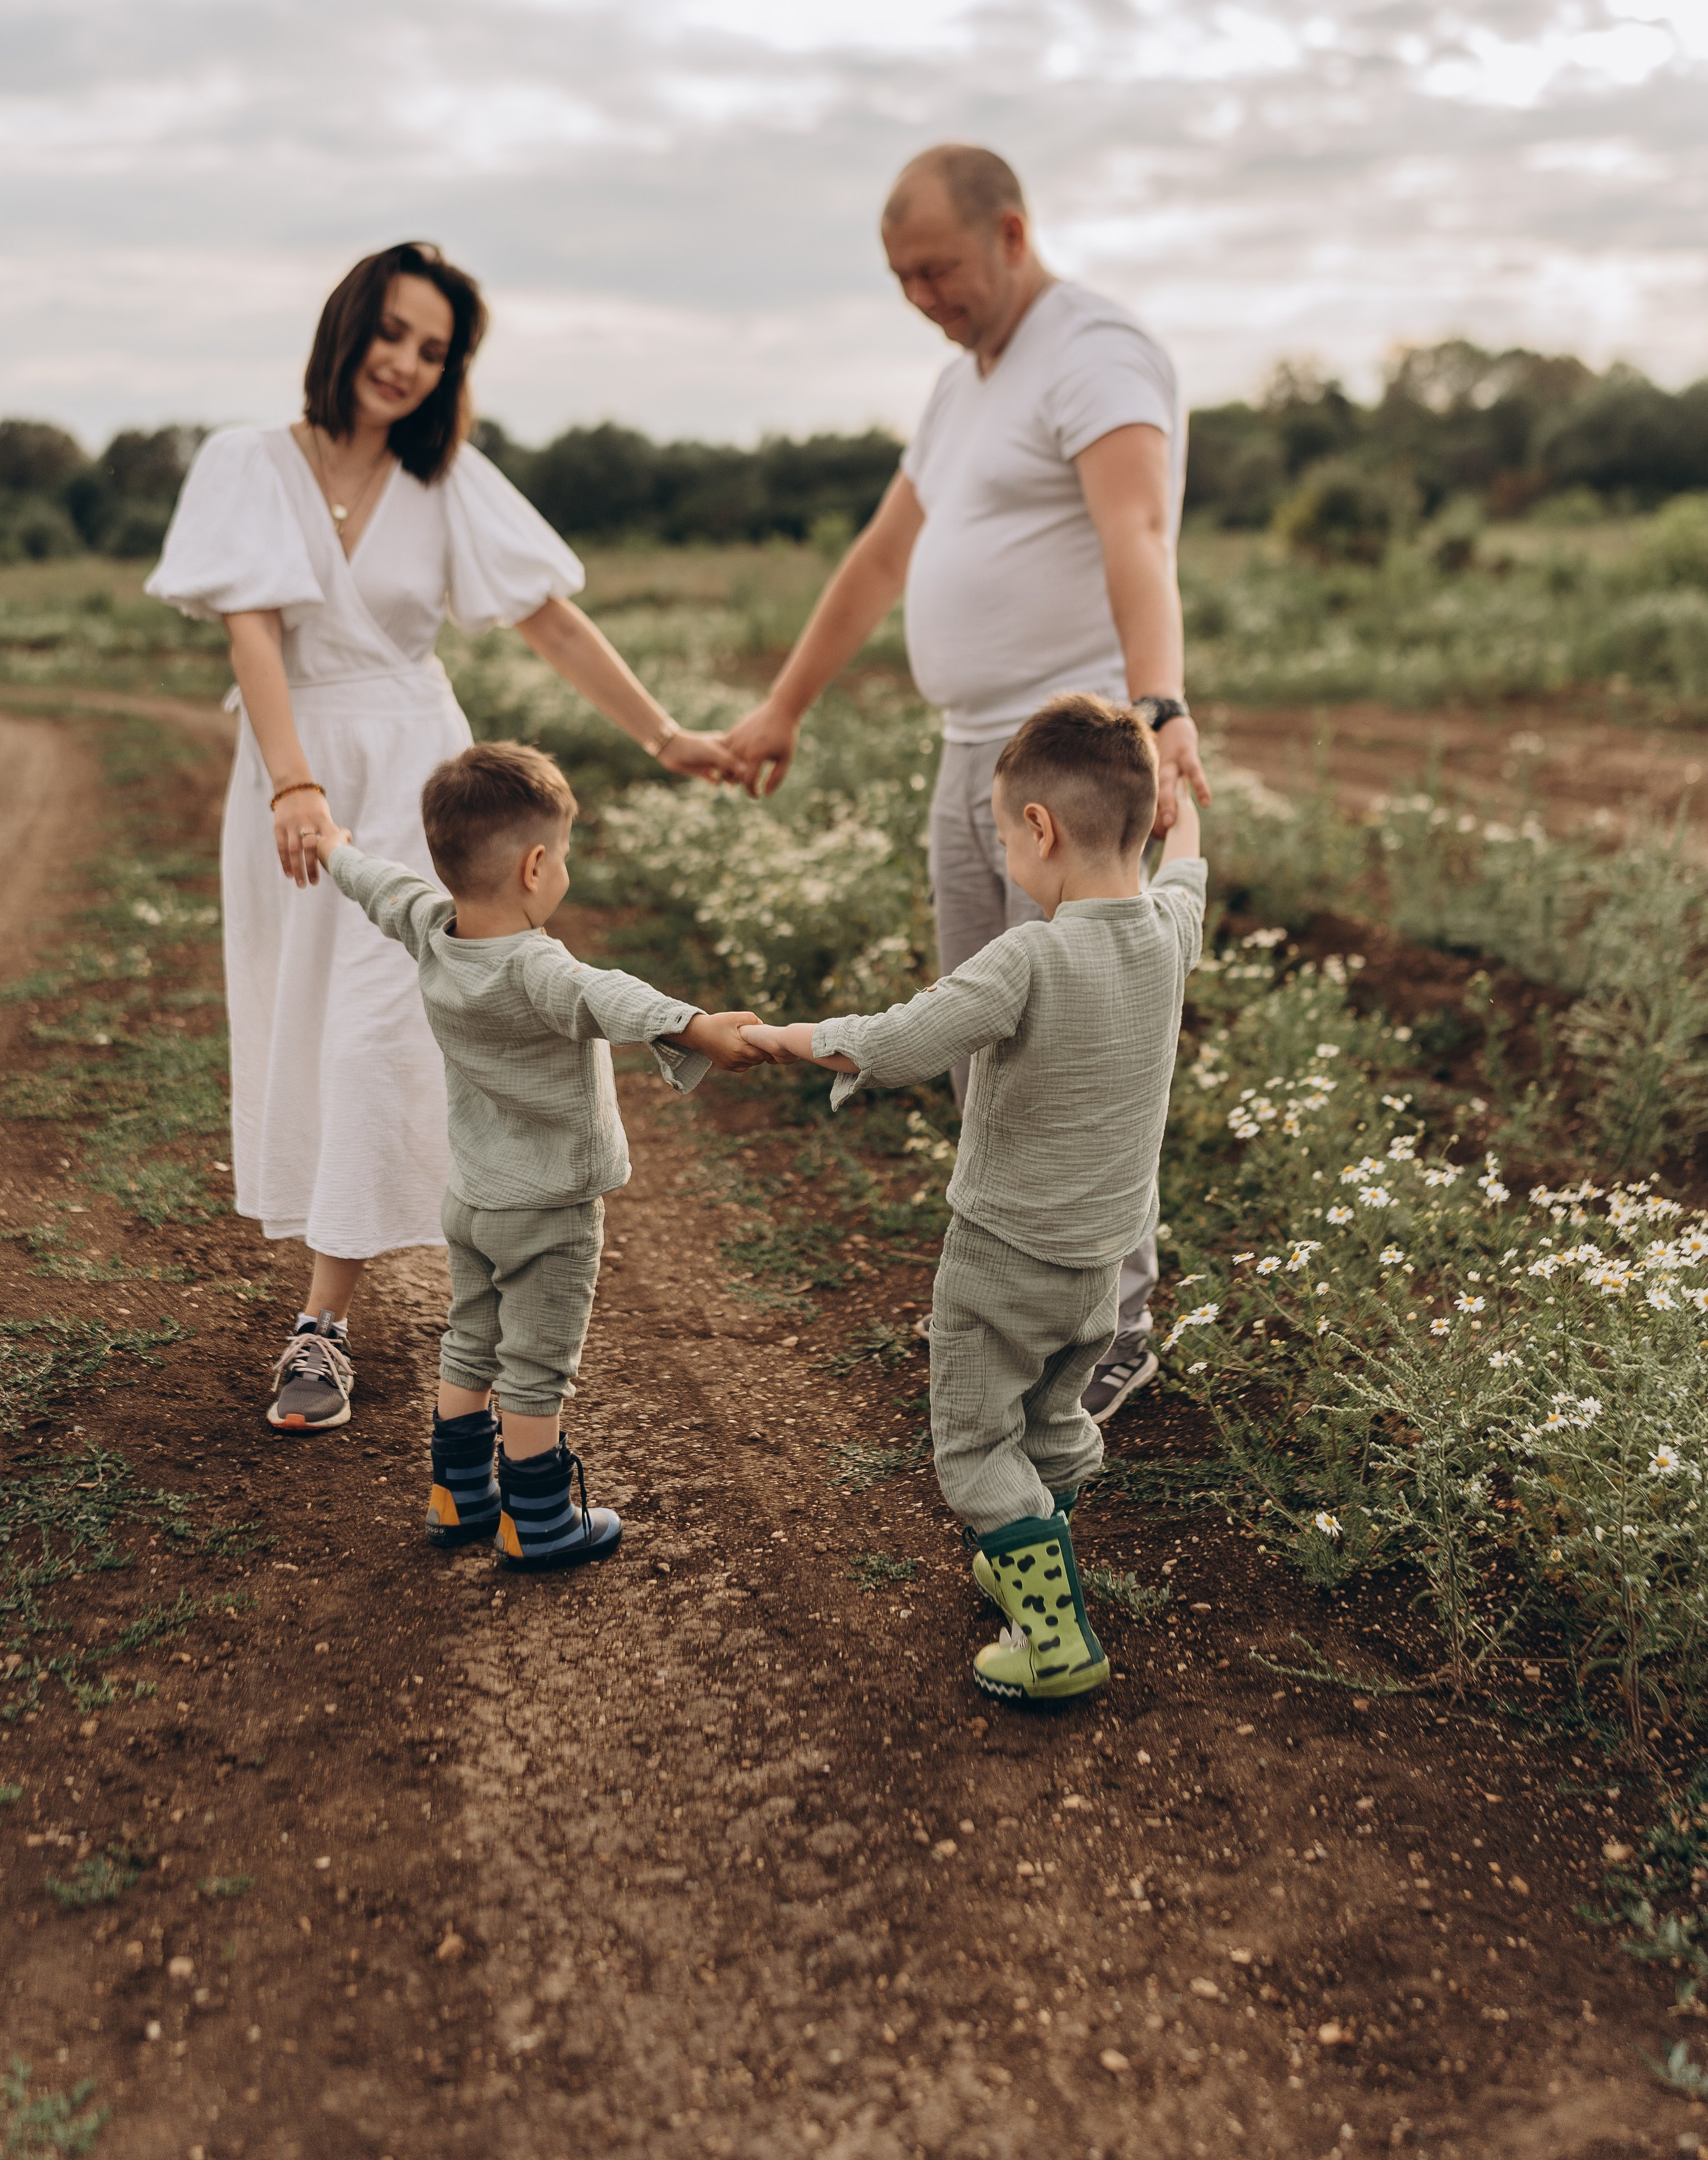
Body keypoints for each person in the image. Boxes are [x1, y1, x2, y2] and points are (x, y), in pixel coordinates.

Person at [147, 240, 738, 1435]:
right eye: (395, 334)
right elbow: (253, 635)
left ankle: (326, 1322)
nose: (408, 364)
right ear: (347, 325)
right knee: (307, 1023)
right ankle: (374, 1272)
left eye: (435, 350)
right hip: (295, 782)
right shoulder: (247, 462)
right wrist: (294, 785)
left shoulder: (446, 478)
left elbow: (549, 621)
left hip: (423, 780)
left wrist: (664, 732)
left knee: (385, 1030)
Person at [724, 145, 1212, 1427]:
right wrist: (784, 703)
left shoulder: (1094, 348)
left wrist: (1157, 707)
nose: (922, 294)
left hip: (1077, 766)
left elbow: (1138, 532)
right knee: (984, 1049)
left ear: (1010, 232)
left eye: (935, 267)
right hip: (974, 762)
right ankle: (1029, 1304)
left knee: (1086, 1053)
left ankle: (1115, 1324)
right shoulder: (958, 390)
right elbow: (883, 558)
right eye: (900, 277)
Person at [742, 695, 1205, 1700]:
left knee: (975, 1436)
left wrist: (789, 1038)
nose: (1004, 855)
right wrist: (1179, 788)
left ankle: (1051, 1638)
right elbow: (1192, 867)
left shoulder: (1030, 956)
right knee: (1051, 1415)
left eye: (1003, 835)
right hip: (1099, 1264)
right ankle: (1036, 1553)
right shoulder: (1171, 930)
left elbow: (906, 1038)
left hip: (1004, 1256)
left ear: (1039, 828)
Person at [316, 741, 766, 1569]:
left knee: (471, 1340)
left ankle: (458, 1500)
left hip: (476, 1198)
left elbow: (379, 886)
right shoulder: (536, 968)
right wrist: (696, 1026)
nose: (565, 868)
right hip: (550, 1211)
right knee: (536, 1365)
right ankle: (539, 1519)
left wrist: (334, 847)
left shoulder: (431, 927)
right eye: (562, 853)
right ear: (533, 866)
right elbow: (610, 994)